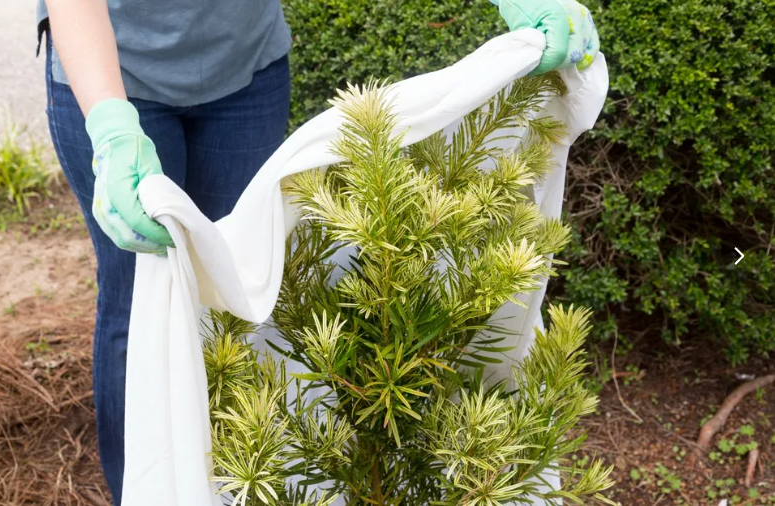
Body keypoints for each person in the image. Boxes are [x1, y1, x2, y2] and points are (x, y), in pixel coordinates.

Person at [37, 0, 599, 503]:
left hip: (244, 72)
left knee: (240, 293)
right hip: (112, 69)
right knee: (138, 300)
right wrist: (113, 127)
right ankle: (143, 484)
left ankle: (232, 479)